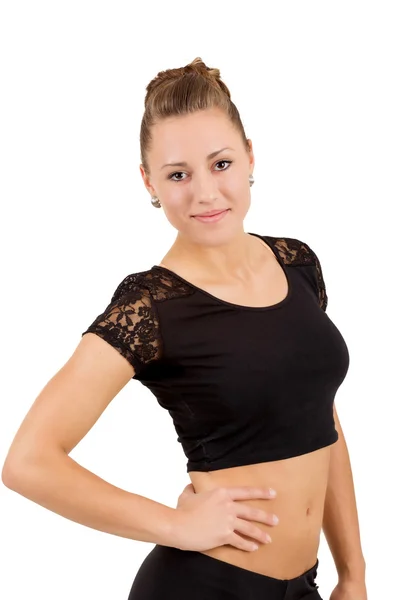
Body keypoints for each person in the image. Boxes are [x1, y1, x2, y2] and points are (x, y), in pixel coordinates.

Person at [1, 57, 367, 600]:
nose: (205, 193)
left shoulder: (297, 263)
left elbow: (320, 416)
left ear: (249, 156)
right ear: (149, 181)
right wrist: (175, 526)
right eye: (178, 174)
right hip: (207, 586)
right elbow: (28, 462)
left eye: (220, 163)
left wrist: (353, 573)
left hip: (305, 587)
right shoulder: (150, 305)